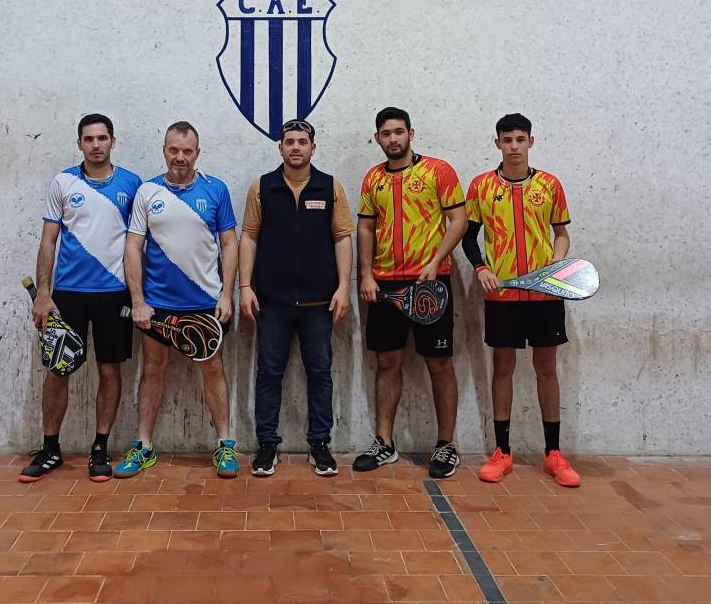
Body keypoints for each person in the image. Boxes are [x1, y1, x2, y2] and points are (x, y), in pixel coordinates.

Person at [19, 114, 142, 484]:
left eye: (102, 138)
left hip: (115, 294)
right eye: (89, 139)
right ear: (79, 144)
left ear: (113, 141)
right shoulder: (63, 182)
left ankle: (100, 448)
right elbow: (48, 241)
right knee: (58, 370)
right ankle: (50, 449)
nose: (96, 145)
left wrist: (140, 295)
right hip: (68, 294)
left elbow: (138, 244)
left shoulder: (132, 184)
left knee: (109, 370)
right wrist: (44, 293)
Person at [114, 121, 240, 478]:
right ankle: (144, 445)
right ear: (164, 150)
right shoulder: (147, 191)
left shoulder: (216, 189)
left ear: (197, 153)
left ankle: (225, 445)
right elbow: (133, 247)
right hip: (157, 305)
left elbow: (230, 243)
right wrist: (138, 300)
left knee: (213, 369)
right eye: (174, 150)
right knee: (152, 369)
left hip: (205, 302)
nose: (180, 157)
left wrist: (227, 294)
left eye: (187, 151)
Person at [461, 113, 581, 487]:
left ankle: (553, 453)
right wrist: (482, 268)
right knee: (503, 367)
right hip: (502, 295)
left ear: (531, 141)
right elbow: (468, 238)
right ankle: (502, 452)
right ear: (497, 143)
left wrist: (556, 263)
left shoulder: (550, 185)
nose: (514, 145)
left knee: (547, 368)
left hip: (545, 294)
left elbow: (561, 234)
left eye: (520, 139)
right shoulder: (481, 186)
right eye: (507, 139)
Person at [354, 107, 468, 479]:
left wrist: (436, 261)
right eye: (386, 133)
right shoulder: (373, 178)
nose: (393, 139)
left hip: (431, 284)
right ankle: (384, 444)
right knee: (387, 362)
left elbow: (459, 221)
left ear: (411, 133)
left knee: (439, 363)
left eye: (399, 132)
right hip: (385, 286)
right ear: (378, 138)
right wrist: (366, 275)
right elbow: (365, 228)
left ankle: (446, 445)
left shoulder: (439, 171)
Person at [238, 119, 354, 477]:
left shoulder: (330, 187)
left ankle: (319, 444)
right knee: (269, 374)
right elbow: (249, 237)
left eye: (302, 142)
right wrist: (245, 286)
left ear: (313, 147)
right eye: (289, 142)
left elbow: (342, 238)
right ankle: (267, 445)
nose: (296, 148)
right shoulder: (262, 187)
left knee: (320, 373)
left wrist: (344, 287)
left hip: (320, 302)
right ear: (280, 147)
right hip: (272, 301)